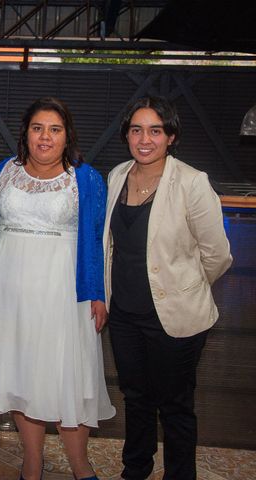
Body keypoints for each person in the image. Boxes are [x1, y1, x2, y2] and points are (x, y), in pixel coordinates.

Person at [0, 97, 115, 480]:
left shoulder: (85, 178)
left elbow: (97, 240)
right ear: (26, 134)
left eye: (55, 129)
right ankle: (31, 463)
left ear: (67, 136)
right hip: (10, 291)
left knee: (69, 375)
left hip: (64, 292)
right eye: (38, 128)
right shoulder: (2, 171)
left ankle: (80, 467)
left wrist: (97, 292)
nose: (45, 137)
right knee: (22, 374)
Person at [103, 96, 232, 480]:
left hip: (175, 319)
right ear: (126, 135)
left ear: (171, 136)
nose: (145, 139)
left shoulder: (192, 183)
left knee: (175, 407)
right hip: (124, 315)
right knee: (136, 399)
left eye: (155, 130)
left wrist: (184, 289)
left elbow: (218, 255)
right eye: (137, 129)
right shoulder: (117, 176)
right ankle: (135, 469)